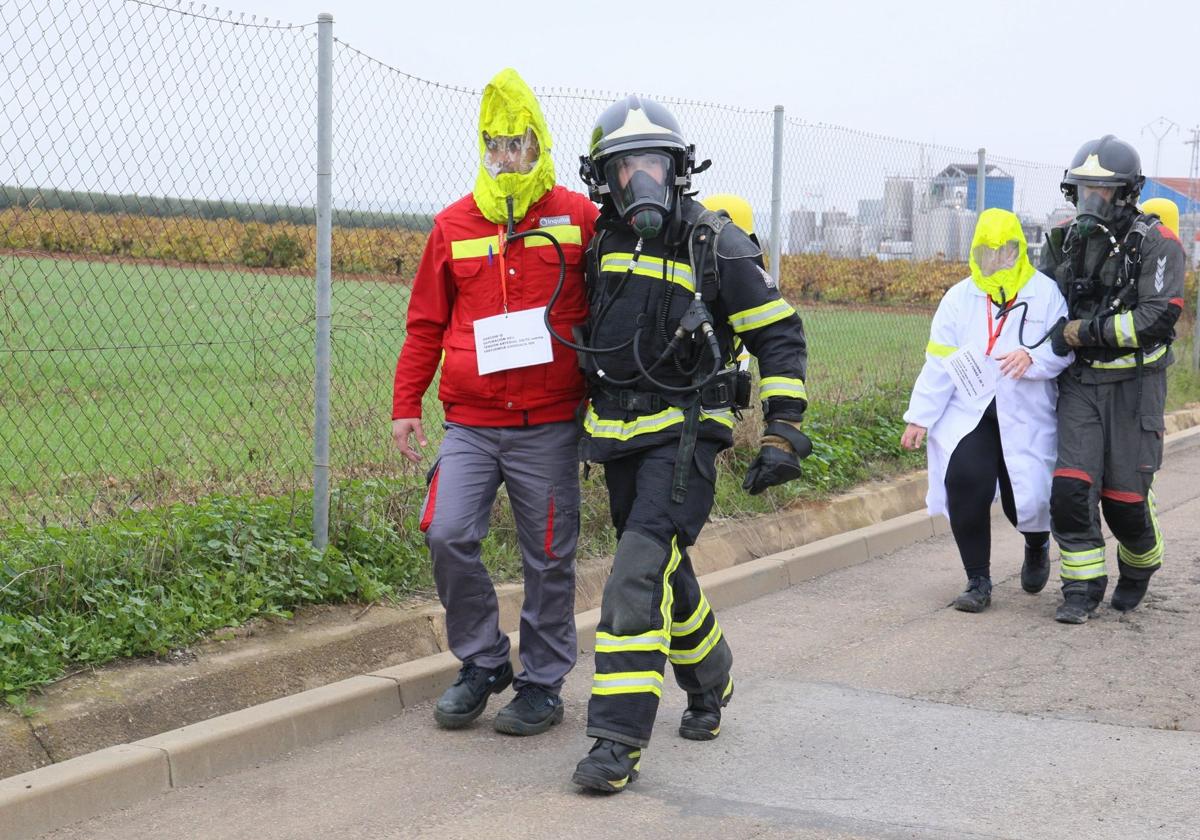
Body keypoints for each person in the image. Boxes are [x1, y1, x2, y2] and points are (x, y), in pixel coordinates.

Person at [565, 95, 810, 793]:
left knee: (633, 579)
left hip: (685, 436)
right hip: (617, 435)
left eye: (653, 163)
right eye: (625, 167)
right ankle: (712, 678)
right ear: (604, 179)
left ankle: (615, 743)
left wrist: (784, 429)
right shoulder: (602, 243)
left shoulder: (717, 244)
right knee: (667, 574)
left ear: (677, 169)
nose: (641, 180)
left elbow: (779, 334)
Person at [391, 68, 597, 734]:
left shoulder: (578, 217)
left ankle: (541, 682)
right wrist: (405, 403)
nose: (506, 156)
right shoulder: (453, 223)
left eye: (518, 143)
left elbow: (620, 301)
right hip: (472, 424)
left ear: (539, 144)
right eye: (495, 144)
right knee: (448, 532)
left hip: (549, 425)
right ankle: (482, 662)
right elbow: (425, 321)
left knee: (547, 556)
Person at [1041, 135, 1186, 623]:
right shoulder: (1064, 240)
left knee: (1124, 502)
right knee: (1070, 489)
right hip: (1079, 386)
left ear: (1128, 192)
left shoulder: (1158, 242)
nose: (1091, 201)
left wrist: (1085, 332)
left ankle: (1141, 561)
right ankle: (1080, 588)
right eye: (1083, 190)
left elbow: (1156, 318)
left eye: (1102, 191)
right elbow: (1043, 310)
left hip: (1136, 388)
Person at [902, 209, 1071, 611]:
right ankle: (977, 580)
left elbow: (1063, 348)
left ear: (1017, 249)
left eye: (1004, 252)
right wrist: (919, 417)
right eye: (985, 252)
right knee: (964, 481)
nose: (995, 261)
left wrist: (1033, 359)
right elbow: (940, 360)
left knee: (1023, 499)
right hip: (970, 410)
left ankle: (1036, 543)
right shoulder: (960, 298)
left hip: (1024, 409)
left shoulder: (1044, 292)